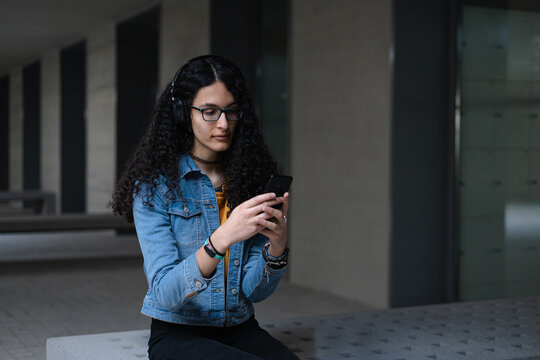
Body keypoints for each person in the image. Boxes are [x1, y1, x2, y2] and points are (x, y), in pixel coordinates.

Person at [111, 55, 298, 360]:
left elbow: (254, 292)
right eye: (210, 112)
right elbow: (165, 292)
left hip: (240, 326)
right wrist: (221, 239)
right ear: (184, 113)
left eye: (231, 112)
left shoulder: (250, 179)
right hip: (177, 332)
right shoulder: (154, 187)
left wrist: (276, 250)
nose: (223, 124)